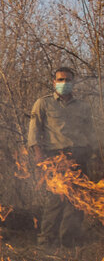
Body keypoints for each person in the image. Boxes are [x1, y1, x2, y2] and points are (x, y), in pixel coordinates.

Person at [27, 66, 98, 250]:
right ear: (54, 82)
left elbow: (90, 133)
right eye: (60, 80)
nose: (64, 83)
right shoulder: (43, 103)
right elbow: (34, 131)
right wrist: (38, 154)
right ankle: (46, 242)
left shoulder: (83, 106)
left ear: (73, 83)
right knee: (55, 200)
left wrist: (94, 152)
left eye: (67, 80)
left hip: (80, 156)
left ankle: (68, 243)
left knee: (77, 202)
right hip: (56, 158)